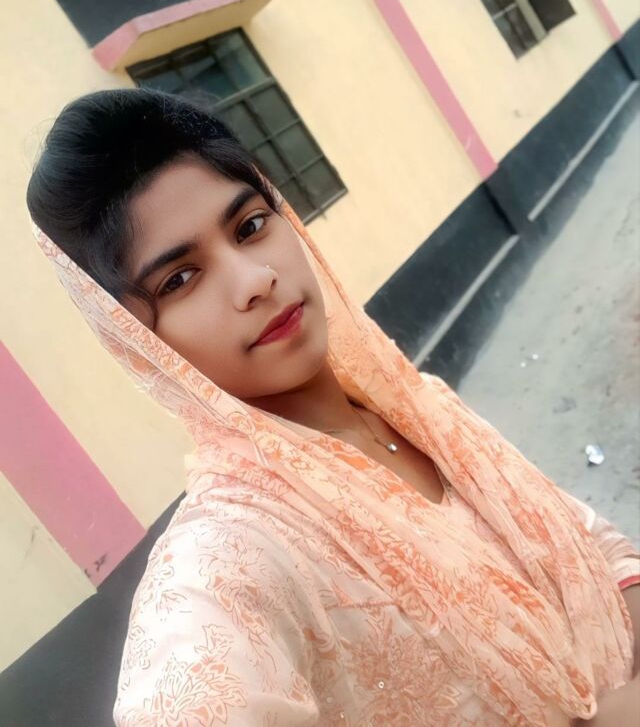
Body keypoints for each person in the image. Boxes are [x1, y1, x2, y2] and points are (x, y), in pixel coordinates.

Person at [26, 89, 639, 726]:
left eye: (250, 226)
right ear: (139, 344)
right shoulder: (236, 548)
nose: (254, 279)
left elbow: (591, 544)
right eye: (179, 279)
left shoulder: (422, 410)